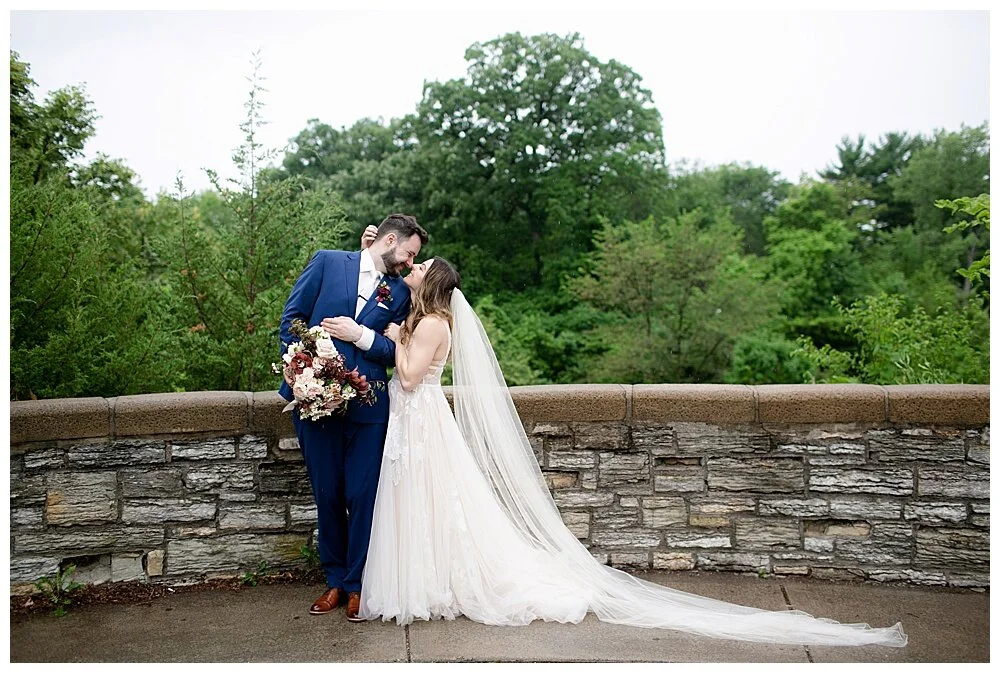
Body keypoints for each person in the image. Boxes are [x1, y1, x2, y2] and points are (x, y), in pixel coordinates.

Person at [354, 242, 908, 647]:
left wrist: (381, 339)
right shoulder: (421, 317)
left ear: (433, 283)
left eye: (420, 266)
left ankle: (431, 585)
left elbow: (410, 377)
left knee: (435, 503)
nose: (413, 268)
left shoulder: (433, 324)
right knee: (423, 504)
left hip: (421, 422)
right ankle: (423, 582)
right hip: (414, 426)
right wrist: (392, 329)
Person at [278, 214, 428, 622]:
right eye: (409, 253)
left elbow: (399, 352)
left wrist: (361, 336)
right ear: (390, 240)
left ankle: (359, 584)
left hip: (369, 408)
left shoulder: (401, 292)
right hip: (314, 403)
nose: (410, 263)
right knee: (327, 494)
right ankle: (334, 581)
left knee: (363, 496)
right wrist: (302, 370)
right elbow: (291, 321)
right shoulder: (327, 262)